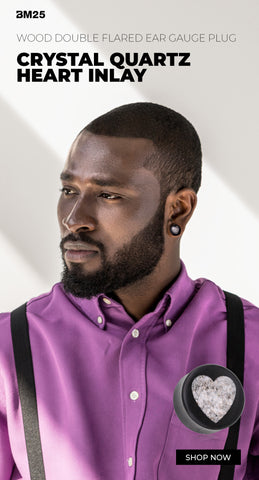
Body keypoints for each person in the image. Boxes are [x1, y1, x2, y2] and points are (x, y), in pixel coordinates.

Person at [0, 102, 258, 480]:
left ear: (178, 211)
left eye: (108, 195)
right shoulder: (9, 347)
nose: (75, 219)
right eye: (69, 190)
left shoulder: (250, 342)